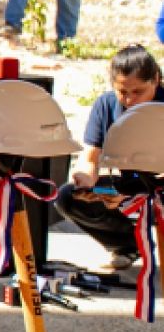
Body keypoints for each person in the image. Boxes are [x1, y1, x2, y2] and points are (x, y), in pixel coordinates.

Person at [54, 46, 164, 270]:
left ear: (156, 80)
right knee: (68, 196)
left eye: (138, 92)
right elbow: (90, 158)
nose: (130, 100)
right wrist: (85, 182)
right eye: (123, 92)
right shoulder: (105, 105)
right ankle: (127, 245)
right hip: (129, 187)